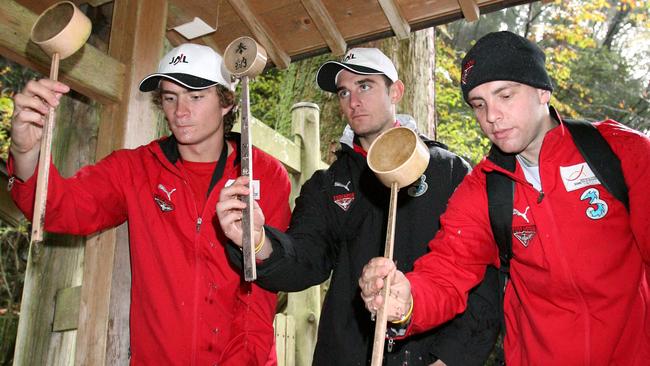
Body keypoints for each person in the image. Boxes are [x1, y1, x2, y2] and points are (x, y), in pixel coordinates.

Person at [359, 31, 650, 365]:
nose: (491, 116)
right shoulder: (483, 189)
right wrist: (404, 299)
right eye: (479, 105)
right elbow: (445, 273)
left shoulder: (620, 152)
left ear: (543, 91)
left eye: (505, 96)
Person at [8, 43, 291, 365]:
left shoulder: (265, 174)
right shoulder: (136, 168)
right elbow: (60, 209)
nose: (180, 111)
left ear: (227, 102)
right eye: (170, 97)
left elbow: (275, 278)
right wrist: (26, 152)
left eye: (195, 97)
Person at [216, 47, 500, 365]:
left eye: (364, 86)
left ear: (396, 91)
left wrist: (450, 359)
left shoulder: (448, 171)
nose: (353, 101)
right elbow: (305, 260)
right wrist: (257, 241)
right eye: (343, 92)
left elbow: (482, 281)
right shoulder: (328, 184)